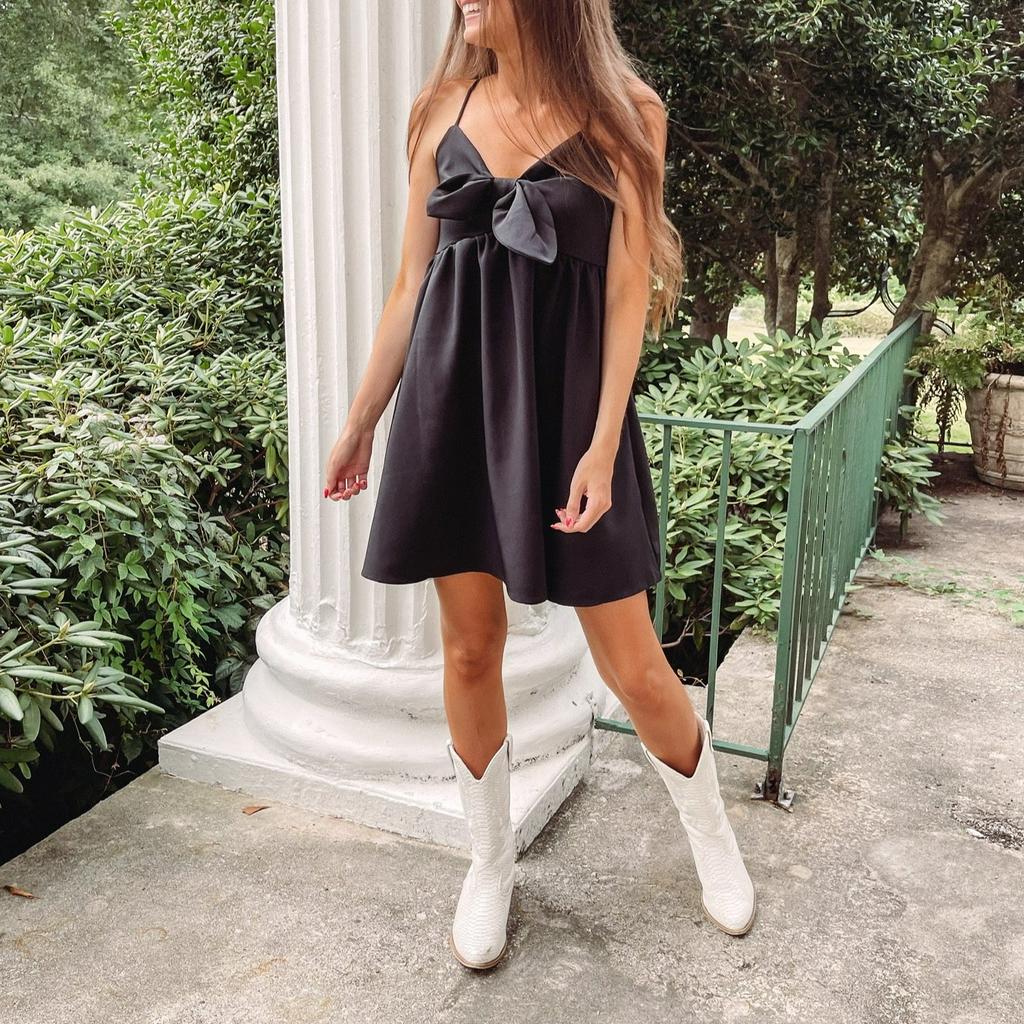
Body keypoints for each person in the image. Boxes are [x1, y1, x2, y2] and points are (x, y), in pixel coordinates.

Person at [323, 0, 756, 970]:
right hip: (454, 407)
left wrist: (601, 446)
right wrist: (360, 422)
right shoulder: (438, 109)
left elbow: (628, 287)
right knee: (469, 646)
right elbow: (409, 285)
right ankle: (489, 862)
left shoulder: (628, 113)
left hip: (569, 418)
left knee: (633, 664)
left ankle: (712, 839)